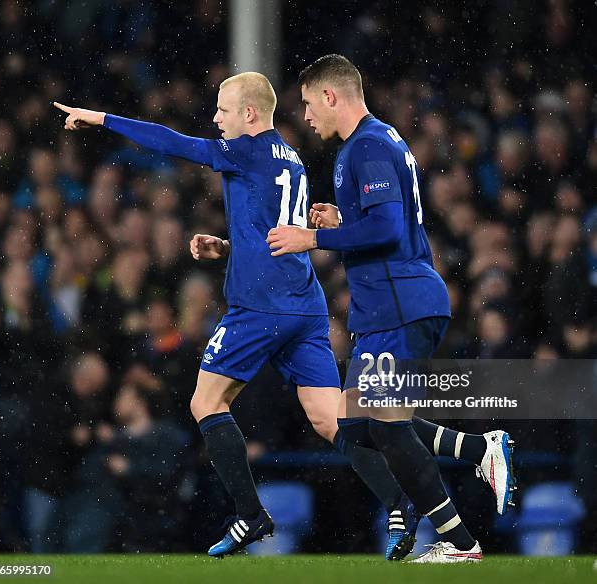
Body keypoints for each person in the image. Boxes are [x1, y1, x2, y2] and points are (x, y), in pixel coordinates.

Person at [52, 75, 408, 557]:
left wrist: (100, 118)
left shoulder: (246, 149)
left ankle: (249, 513)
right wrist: (227, 248)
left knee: (206, 403)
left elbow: (172, 143)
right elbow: (272, 232)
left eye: (222, 110)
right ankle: (399, 501)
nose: (216, 120)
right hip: (304, 303)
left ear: (250, 115)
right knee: (330, 420)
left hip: (260, 308)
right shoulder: (291, 158)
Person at [267, 54, 516, 563]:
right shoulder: (376, 142)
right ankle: (478, 451)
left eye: (311, 104)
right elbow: (382, 220)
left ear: (331, 96)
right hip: (386, 305)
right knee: (358, 424)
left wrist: (314, 236)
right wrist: (343, 217)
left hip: (400, 303)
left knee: (382, 424)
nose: (308, 117)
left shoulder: (367, 147)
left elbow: (388, 230)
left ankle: (460, 544)